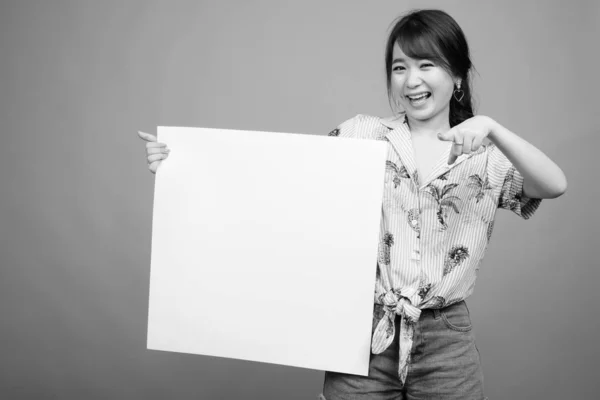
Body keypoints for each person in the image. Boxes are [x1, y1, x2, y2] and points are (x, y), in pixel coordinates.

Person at [138, 9, 567, 400]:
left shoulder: (487, 158)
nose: (411, 80)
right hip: (360, 335)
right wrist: (183, 166)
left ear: (456, 76)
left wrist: (492, 128)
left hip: (446, 341)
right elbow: (278, 182)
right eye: (400, 68)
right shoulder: (363, 134)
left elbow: (555, 184)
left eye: (426, 64)